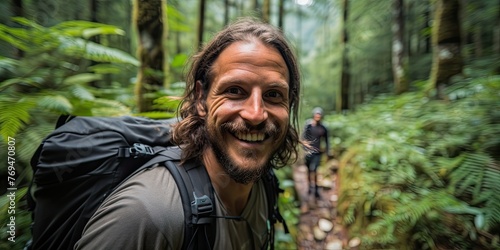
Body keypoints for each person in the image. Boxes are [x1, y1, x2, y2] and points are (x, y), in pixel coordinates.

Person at [75, 18, 302, 250]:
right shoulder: (146, 214)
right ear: (201, 99)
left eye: (274, 94)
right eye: (234, 91)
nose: (256, 114)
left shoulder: (263, 185)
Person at [302, 107, 331, 198]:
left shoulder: (323, 128)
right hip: (308, 152)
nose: (318, 117)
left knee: (314, 169)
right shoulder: (308, 125)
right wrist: (305, 148)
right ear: (314, 115)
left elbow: (327, 141)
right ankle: (309, 187)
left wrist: (327, 152)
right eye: (316, 115)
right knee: (308, 170)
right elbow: (303, 138)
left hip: (318, 152)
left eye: (319, 115)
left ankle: (316, 189)